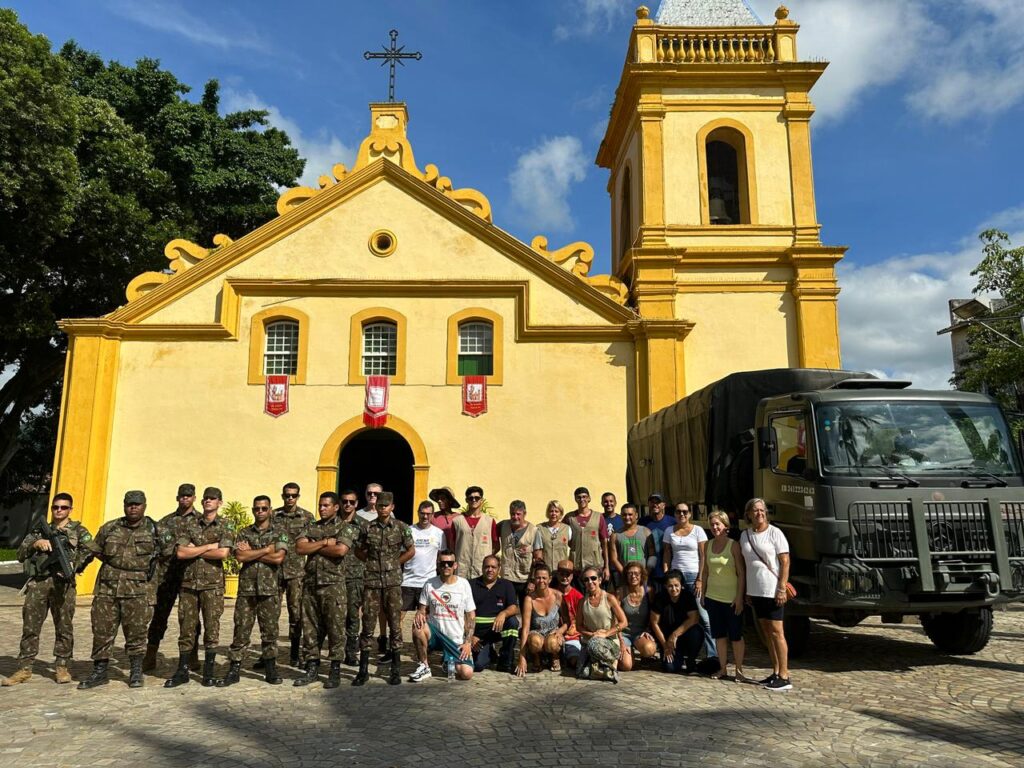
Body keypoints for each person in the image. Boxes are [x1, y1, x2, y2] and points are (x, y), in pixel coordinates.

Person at [78, 490, 171, 689]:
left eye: (137, 504)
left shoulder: (157, 531)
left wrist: (154, 579)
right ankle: (100, 671)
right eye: (129, 504)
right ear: (124, 506)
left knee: (136, 632)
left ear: (144, 506)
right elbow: (95, 550)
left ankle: (136, 671)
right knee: (102, 630)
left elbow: (169, 556)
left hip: (139, 590)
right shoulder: (110, 528)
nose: (133, 508)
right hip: (107, 588)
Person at [3, 493, 92, 686]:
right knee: (30, 627)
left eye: (64, 507)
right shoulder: (39, 531)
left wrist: (74, 565)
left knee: (64, 627)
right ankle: (24, 668)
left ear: (70, 510)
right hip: (39, 584)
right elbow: (20, 553)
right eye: (55, 507)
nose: (59, 510)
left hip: (64, 585)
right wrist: (36, 544)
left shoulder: (79, 531)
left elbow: (90, 551)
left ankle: (62, 667)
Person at [164, 487, 234, 688]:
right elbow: (181, 553)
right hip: (189, 584)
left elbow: (223, 554)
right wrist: (210, 546)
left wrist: (195, 550)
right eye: (205, 498)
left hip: (212, 586)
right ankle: (182, 671)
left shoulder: (226, 525)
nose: (208, 501)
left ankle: (208, 672)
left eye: (212, 498)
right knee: (186, 628)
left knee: (212, 628)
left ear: (220, 502)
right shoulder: (191, 524)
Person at [218, 495, 289, 687]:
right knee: (241, 629)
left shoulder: (279, 532)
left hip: (269, 590)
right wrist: (266, 550)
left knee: (270, 631)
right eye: (257, 508)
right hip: (247, 590)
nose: (260, 512)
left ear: (270, 510)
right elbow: (240, 557)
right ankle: (234, 669)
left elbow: (278, 559)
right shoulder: (244, 532)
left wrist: (252, 553)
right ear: (253, 510)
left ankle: (271, 668)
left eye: (264, 508)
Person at [292, 491, 359, 689]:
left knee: (335, 629)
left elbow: (340, 550)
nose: (321, 509)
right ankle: (312, 668)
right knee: (310, 628)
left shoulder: (345, 527)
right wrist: (323, 542)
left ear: (336, 507)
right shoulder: (311, 526)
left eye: (326, 505)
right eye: (320, 505)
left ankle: (334, 670)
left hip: (333, 586)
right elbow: (299, 548)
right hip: (311, 584)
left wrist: (313, 545)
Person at [354, 491, 415, 686]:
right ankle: (363, 671)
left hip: (392, 583)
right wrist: (370, 563)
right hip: (372, 582)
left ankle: (395, 670)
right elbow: (358, 549)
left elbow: (411, 550)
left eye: (386, 505)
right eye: (380, 505)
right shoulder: (367, 527)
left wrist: (396, 564)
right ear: (376, 507)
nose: (383, 508)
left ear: (392, 507)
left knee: (395, 625)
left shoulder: (401, 527)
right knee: (368, 625)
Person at [145, 483, 200, 672]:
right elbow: (157, 546)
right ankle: (150, 654)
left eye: (188, 496)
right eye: (182, 496)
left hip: (191, 576)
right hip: (167, 576)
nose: (185, 498)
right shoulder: (166, 522)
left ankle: (192, 655)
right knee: (159, 616)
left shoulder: (201, 521)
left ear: (194, 498)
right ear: (177, 498)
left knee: (191, 619)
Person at [740, 497, 792, 691]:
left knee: (777, 632)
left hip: (772, 590)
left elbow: (785, 561)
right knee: (766, 633)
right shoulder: (745, 535)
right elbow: (745, 564)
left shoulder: (774, 533)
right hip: (756, 590)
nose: (759, 513)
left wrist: (782, 587)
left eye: (762, 510)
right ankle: (775, 671)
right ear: (749, 514)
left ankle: (785, 675)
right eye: (755, 510)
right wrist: (747, 591)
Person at [663, 503, 716, 661]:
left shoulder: (698, 530)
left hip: (694, 576)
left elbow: (703, 555)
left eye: (685, 511)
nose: (682, 514)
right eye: (678, 511)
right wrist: (666, 574)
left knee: (704, 616)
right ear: (674, 514)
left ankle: (713, 654)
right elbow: (667, 553)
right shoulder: (669, 531)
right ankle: (681, 650)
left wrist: (700, 578)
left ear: (690, 514)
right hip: (676, 578)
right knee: (679, 614)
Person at [701, 511, 748, 681]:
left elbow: (741, 573)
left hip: (731, 599)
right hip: (713, 597)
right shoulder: (707, 545)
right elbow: (705, 572)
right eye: (712, 524)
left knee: (735, 636)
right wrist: (703, 593)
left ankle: (739, 670)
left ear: (725, 526)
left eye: (718, 524)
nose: (715, 527)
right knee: (719, 636)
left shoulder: (733, 545)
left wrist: (739, 598)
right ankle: (722, 669)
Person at [272, 482, 314, 668]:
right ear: (282, 496)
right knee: (270, 613)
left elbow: (313, 543)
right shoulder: (273, 516)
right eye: (287, 495)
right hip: (274, 571)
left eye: (293, 495)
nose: (290, 498)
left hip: (296, 572)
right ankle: (268, 651)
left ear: (298, 496)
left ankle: (295, 653)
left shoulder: (307, 517)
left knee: (296, 613)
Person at [469, 555, 521, 673]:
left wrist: (503, 613)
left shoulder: (506, 585)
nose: (490, 570)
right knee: (477, 666)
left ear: (499, 569)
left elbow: (514, 607)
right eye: (487, 567)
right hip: (478, 635)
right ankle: (489, 653)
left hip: (497, 630)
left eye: (493, 567)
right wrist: (470, 636)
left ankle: (505, 662)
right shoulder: (471, 585)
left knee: (512, 622)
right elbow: (463, 613)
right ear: (482, 568)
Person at [575, 565, 627, 683]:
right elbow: (579, 626)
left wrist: (606, 633)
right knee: (581, 673)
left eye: (593, 578)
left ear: (600, 580)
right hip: (590, 640)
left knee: (594, 645)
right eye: (586, 579)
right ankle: (602, 668)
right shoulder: (582, 602)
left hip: (609, 641)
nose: (590, 582)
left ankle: (611, 663)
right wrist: (592, 634)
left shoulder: (609, 598)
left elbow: (624, 622)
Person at [649, 569, 703, 675]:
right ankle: (677, 658)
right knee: (670, 668)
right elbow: (654, 622)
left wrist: (674, 635)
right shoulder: (660, 597)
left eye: (676, 585)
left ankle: (691, 660)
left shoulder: (687, 596)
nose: (674, 589)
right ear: (665, 586)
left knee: (697, 632)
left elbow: (694, 618)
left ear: (681, 585)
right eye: (670, 586)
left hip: (684, 635)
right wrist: (665, 645)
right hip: (666, 638)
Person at [515, 563, 564, 676]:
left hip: (553, 632)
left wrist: (561, 631)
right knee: (535, 642)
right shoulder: (529, 599)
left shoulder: (558, 595)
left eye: (544, 578)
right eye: (538, 578)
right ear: (534, 580)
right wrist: (521, 657)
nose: (541, 581)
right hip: (537, 632)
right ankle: (536, 657)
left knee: (552, 643)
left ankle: (555, 656)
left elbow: (567, 620)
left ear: (550, 579)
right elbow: (525, 628)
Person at [402, 500, 446, 628]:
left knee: (426, 617)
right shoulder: (408, 530)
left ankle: (423, 640)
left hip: (428, 582)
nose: (425, 516)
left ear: (432, 515)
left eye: (428, 514)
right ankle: (396, 640)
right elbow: (401, 554)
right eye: (422, 513)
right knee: (399, 615)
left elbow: (441, 557)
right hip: (407, 581)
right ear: (418, 513)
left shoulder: (439, 533)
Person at [337, 489, 368, 665]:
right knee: (333, 615)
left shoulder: (364, 525)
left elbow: (369, 550)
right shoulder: (333, 523)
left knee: (352, 616)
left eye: (351, 502)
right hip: (334, 575)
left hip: (355, 576)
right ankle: (335, 650)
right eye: (344, 501)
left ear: (356, 504)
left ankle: (350, 652)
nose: (347, 505)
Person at [616, 561, 658, 672]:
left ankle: (640, 653)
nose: (633, 576)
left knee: (649, 649)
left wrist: (648, 630)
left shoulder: (649, 591)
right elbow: (615, 618)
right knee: (626, 666)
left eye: (636, 573)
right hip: (624, 633)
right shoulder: (621, 592)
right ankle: (628, 653)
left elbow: (653, 614)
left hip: (640, 633)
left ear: (642, 575)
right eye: (630, 573)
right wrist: (620, 639)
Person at [564, 487, 610, 586]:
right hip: (576, 566)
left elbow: (604, 542)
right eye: (579, 497)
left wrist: (607, 567)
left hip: (595, 565)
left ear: (589, 498)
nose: (582, 499)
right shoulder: (569, 518)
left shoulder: (598, 517)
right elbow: (562, 536)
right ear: (575, 499)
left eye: (584, 497)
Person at [451, 485, 498, 579]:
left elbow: (496, 545)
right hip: (462, 569)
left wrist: (484, 555)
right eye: (471, 498)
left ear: (481, 500)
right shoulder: (457, 521)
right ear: (466, 500)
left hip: (481, 569)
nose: (474, 500)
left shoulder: (489, 521)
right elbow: (452, 545)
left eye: (477, 498)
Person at [609, 503, 656, 589]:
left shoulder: (646, 532)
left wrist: (645, 573)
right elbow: (614, 559)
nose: (627, 517)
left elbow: (652, 556)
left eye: (630, 514)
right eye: (624, 515)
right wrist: (625, 574)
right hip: (624, 580)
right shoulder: (615, 535)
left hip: (643, 579)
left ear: (636, 515)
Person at [497, 500, 536, 603]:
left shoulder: (534, 531)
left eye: (518, 514)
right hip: (507, 577)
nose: (515, 517)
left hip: (524, 579)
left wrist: (532, 581)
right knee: (507, 607)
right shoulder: (502, 525)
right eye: (512, 514)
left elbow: (538, 557)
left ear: (524, 513)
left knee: (526, 608)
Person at [640, 492, 676, 591]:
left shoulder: (672, 522)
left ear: (663, 505)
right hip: (649, 570)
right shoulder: (642, 522)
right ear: (648, 504)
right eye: (652, 502)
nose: (655, 505)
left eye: (658, 502)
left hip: (667, 569)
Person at [553, 559, 584, 669]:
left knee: (574, 661)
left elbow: (581, 619)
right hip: (553, 633)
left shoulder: (578, 596)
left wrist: (574, 628)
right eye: (562, 574)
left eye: (568, 574)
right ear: (557, 574)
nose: (565, 577)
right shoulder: (551, 593)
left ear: (572, 576)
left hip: (572, 635)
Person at [532, 500, 571, 571]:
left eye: (556, 511)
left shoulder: (567, 529)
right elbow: (537, 550)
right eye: (551, 511)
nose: (554, 513)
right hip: (545, 570)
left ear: (561, 513)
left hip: (562, 571)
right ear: (547, 513)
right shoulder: (540, 528)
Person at [428, 486, 460, 551]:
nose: (439, 501)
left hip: (454, 555)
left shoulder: (459, 518)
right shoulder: (432, 517)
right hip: (436, 554)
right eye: (438, 499)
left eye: (443, 498)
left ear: (450, 501)